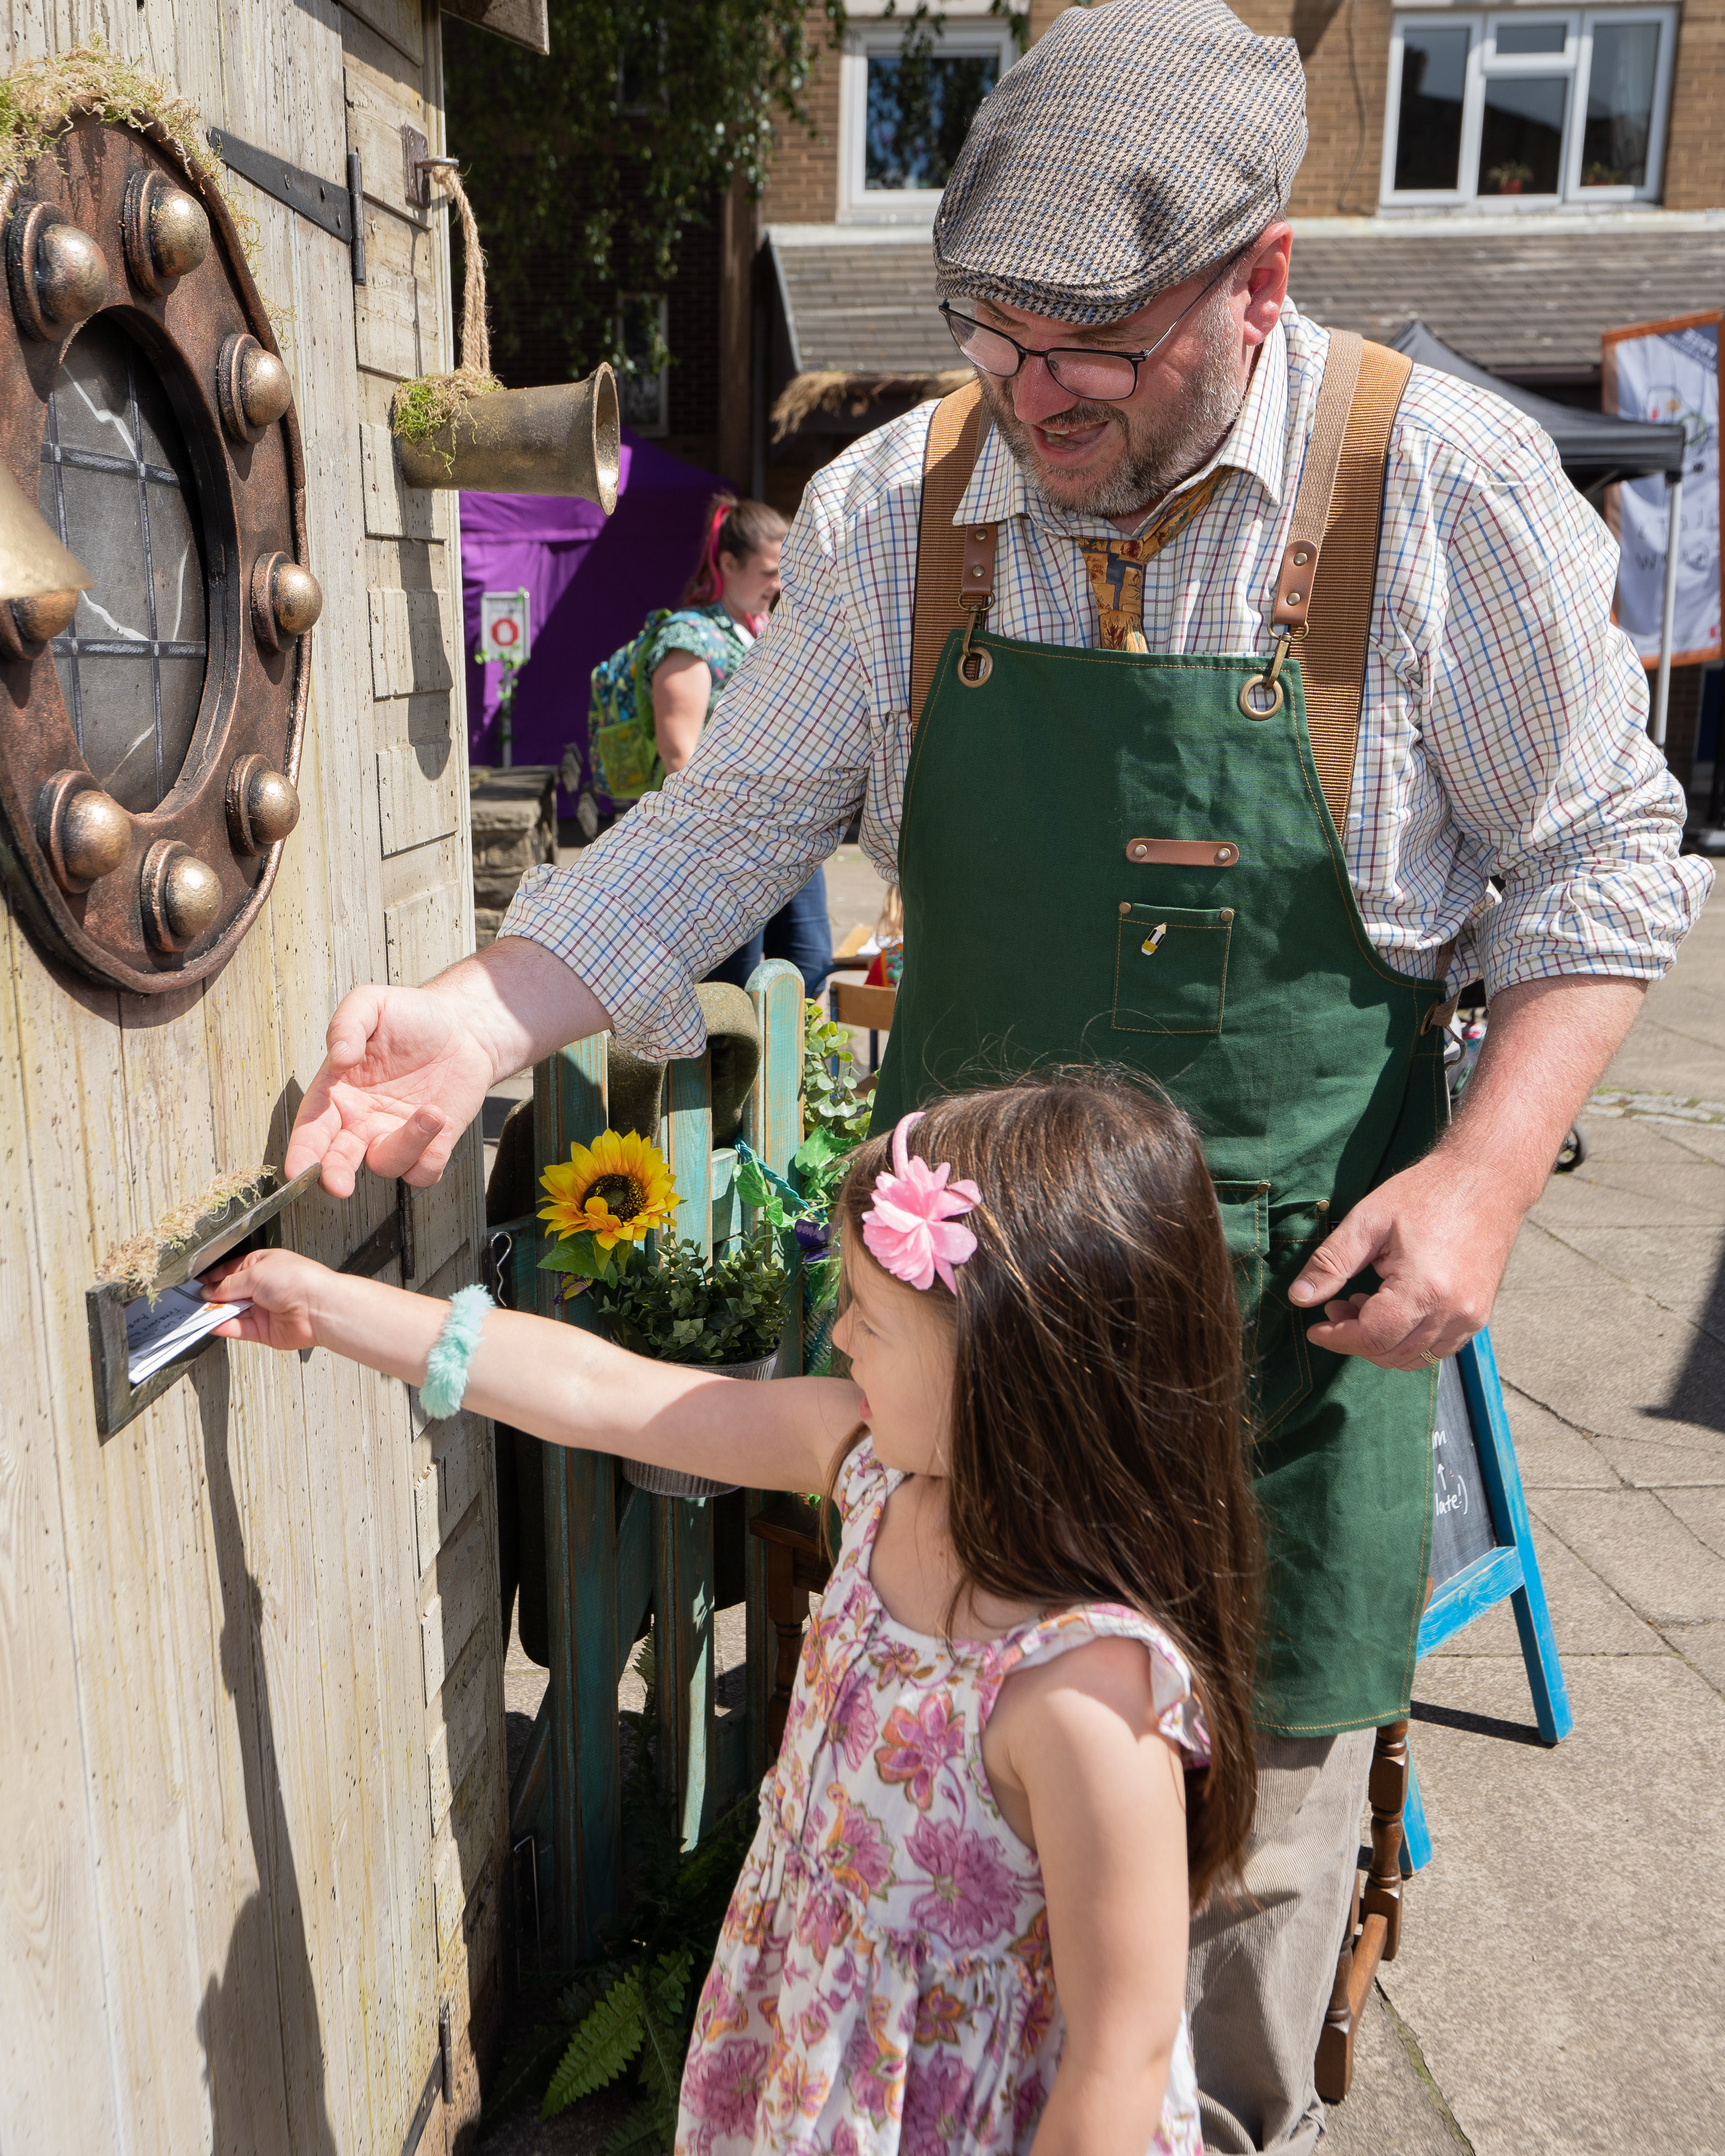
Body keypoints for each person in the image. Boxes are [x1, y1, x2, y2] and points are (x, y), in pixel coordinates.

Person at [280, 1, 1710, 2145]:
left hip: (1272, 1377)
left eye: (1095, 350)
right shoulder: (901, 502)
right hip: (952, 1368)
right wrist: (477, 1018)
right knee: (916, 1880)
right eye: (994, 339)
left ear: (1259, 279)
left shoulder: (1439, 489)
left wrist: (1487, 1176)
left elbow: (1597, 862)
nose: (1033, 397)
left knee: (1218, 1938)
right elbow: (725, 824)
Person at [216, 1073, 1265, 2154]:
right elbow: (603, 1393)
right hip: (803, 2072)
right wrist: (332, 1306)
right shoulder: (872, 1473)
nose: (839, 1334)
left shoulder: (1087, 1695)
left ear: (1007, 1368)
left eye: (871, 1316)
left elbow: (1119, 2061)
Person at [643, 498, 834, 997]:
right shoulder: (689, 638)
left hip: (792, 835)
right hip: (724, 851)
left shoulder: (771, 631)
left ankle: (804, 1055)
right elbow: (679, 757)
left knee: (811, 968)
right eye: (770, 571)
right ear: (728, 563)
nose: (779, 584)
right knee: (731, 987)